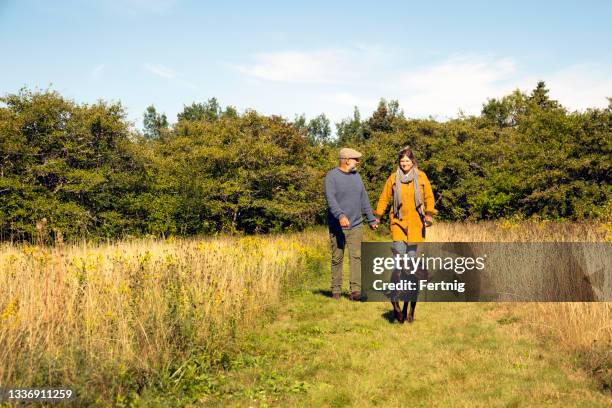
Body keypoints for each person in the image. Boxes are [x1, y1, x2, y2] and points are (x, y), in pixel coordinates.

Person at [374, 146, 437, 322]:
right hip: (398, 223)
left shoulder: (422, 177)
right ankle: (395, 296)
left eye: (407, 161)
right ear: (399, 163)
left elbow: (429, 198)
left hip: (416, 225)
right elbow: (384, 198)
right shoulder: (393, 178)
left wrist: (429, 214)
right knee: (398, 262)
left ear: (413, 162)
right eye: (402, 161)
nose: (404, 164)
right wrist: (377, 216)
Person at [324, 147, 379, 301]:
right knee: (337, 257)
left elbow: (364, 199)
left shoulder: (357, 177)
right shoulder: (331, 177)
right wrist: (340, 215)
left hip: (356, 224)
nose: (359, 162)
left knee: (356, 257)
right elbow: (331, 200)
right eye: (356, 159)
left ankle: (355, 292)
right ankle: (336, 290)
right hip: (337, 225)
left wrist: (371, 219)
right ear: (347, 160)